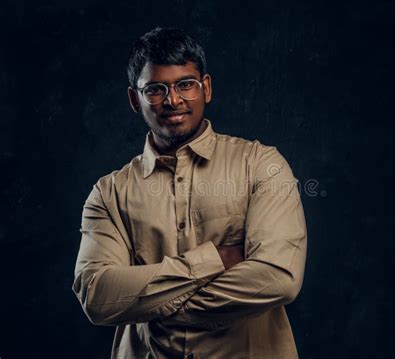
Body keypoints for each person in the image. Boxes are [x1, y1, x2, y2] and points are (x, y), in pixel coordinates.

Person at [72, 26, 307, 359]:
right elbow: (97, 297)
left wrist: (152, 306)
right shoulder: (110, 193)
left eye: (185, 84)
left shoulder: (261, 165)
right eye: (155, 89)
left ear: (206, 88)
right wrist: (212, 260)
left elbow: (278, 277)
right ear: (134, 100)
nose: (173, 100)